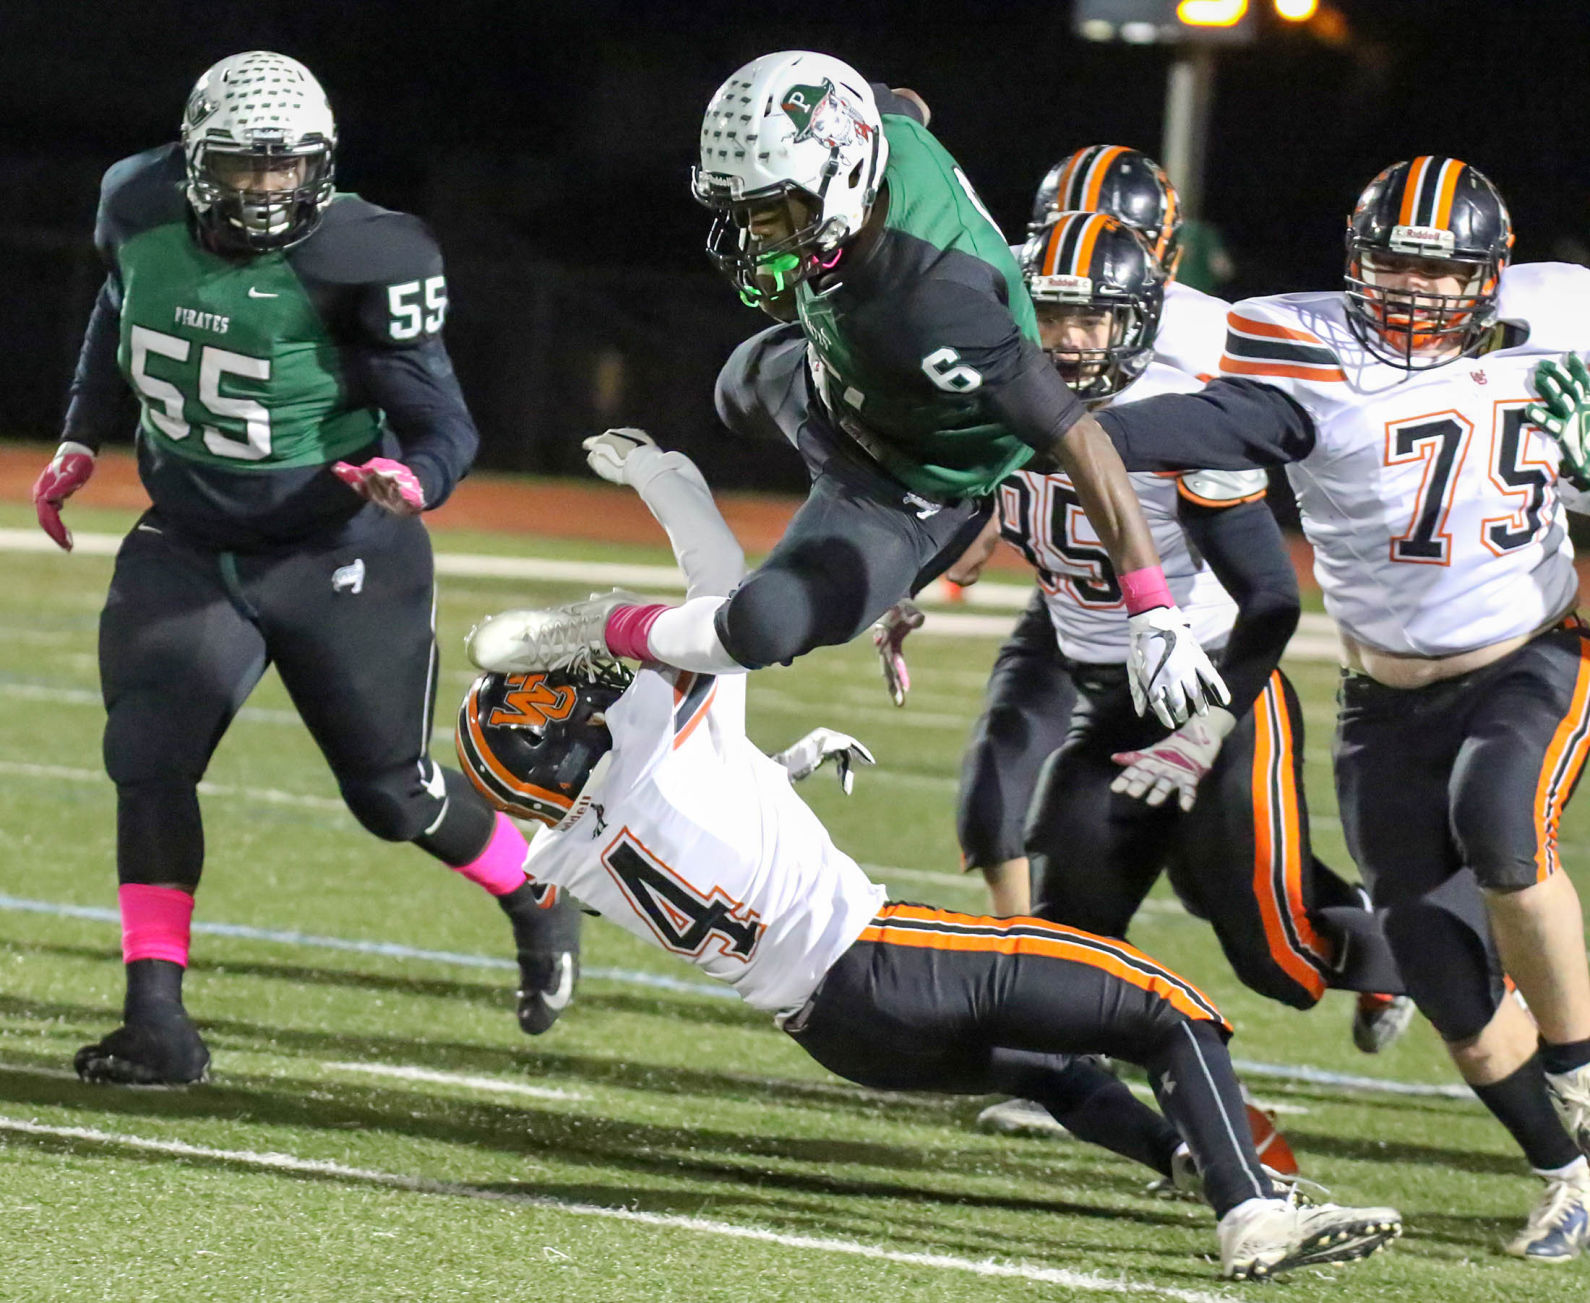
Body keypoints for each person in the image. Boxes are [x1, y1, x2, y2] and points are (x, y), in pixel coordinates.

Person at [454, 428, 1402, 1281]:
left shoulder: (563, 853)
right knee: (1167, 1008)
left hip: (834, 1031)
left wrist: (777, 766)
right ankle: (1252, 1214)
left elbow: (702, 837)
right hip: (883, 959)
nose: (589, 692)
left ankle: (1189, 1160)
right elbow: (719, 581)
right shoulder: (658, 728)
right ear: (572, 728)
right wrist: (663, 475)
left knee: (1051, 1068)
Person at [31, 51, 580, 1086]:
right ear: (198, 161)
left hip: (337, 549)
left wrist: (412, 479)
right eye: (247, 168)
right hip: (189, 538)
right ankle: (158, 1018)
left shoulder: (369, 254)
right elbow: (121, 304)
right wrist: (80, 433)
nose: (272, 189)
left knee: (388, 793)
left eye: (291, 169)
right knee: (147, 761)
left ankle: (532, 887)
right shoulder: (134, 202)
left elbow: (444, 422)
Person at [1093, 155, 1590, 1261]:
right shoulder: (1299, 351)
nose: (1414, 293)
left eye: (1439, 271)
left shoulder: (1564, 324)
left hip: (1530, 655)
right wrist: (1062, 431)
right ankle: (1564, 1170)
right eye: (1395, 267)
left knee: (1503, 823)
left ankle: (1578, 1064)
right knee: (1439, 968)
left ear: (1490, 277)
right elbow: (1203, 423)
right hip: (1382, 696)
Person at [466, 53, 1227, 735]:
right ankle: (667, 474)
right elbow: (905, 103)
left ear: (843, 180)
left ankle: (605, 626)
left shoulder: (940, 303)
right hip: (832, 380)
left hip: (901, 480)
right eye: (743, 212)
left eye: (771, 211)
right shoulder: (868, 137)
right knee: (730, 392)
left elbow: (1077, 438)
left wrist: (1151, 607)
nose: (754, 235)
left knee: (762, 628)